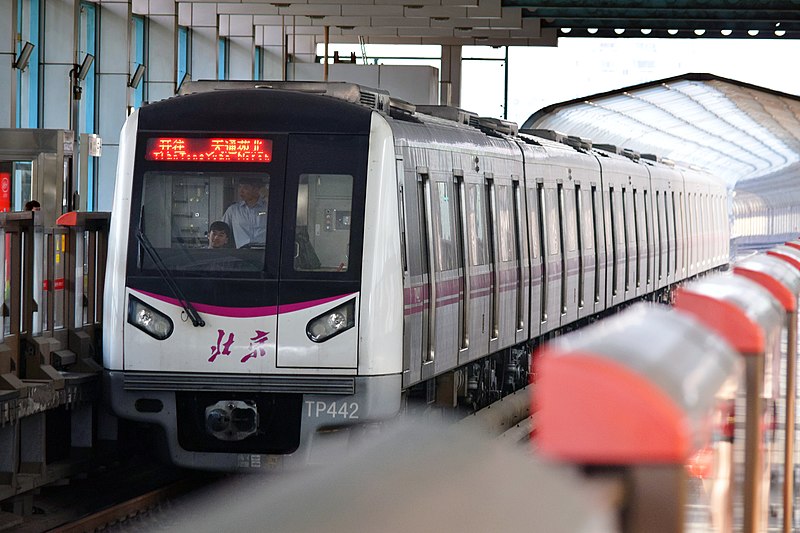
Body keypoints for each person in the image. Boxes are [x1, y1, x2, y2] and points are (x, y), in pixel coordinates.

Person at [222, 177, 267, 248]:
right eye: (240, 187)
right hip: (242, 252)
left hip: (264, 251)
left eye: (245, 188)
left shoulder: (267, 208)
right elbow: (222, 230)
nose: (241, 191)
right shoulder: (233, 210)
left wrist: (265, 195)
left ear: (256, 190)